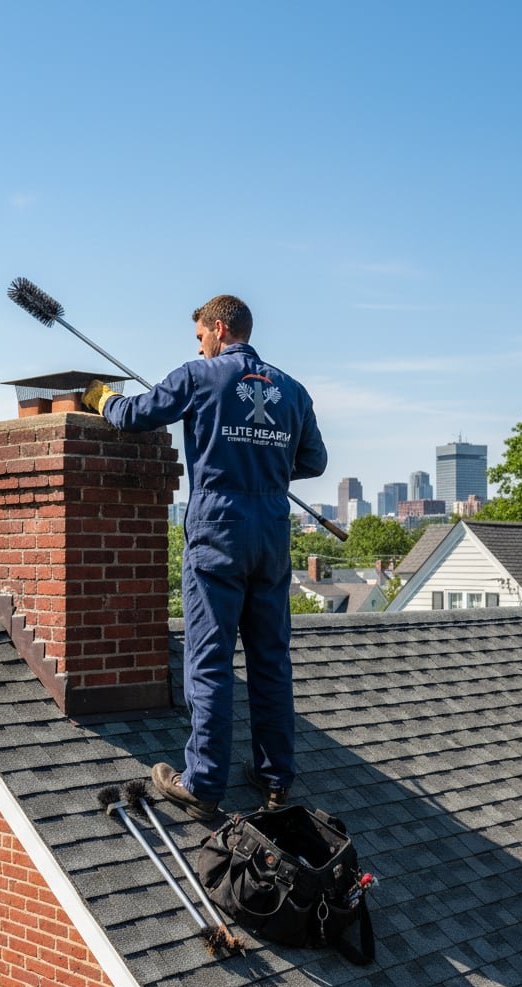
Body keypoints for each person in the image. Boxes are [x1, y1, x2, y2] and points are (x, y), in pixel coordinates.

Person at [82, 295, 327, 820]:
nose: (198, 344)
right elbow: (315, 459)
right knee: (270, 660)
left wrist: (100, 398)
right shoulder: (292, 390)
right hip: (272, 534)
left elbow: (135, 415)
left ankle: (203, 783)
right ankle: (274, 778)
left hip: (219, 532)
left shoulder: (200, 376)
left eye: (199, 336)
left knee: (210, 659)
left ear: (218, 328)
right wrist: (264, 460)